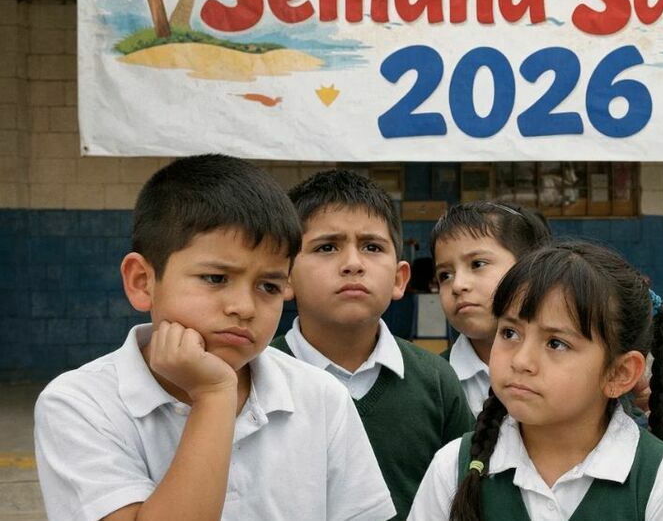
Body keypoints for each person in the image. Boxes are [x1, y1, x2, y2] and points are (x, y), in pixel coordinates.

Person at [34, 154, 394, 521]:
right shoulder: (81, 405)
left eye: (268, 286)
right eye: (216, 279)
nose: (244, 307)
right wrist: (212, 397)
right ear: (143, 282)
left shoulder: (320, 396)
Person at [408, 240, 663, 520]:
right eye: (509, 333)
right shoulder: (452, 467)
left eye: (556, 343)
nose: (521, 361)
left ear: (619, 373)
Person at [272, 169, 473, 519]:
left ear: (399, 279)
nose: (352, 264)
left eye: (371, 247)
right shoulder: (252, 377)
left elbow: (468, 497)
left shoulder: (436, 380)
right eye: (327, 247)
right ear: (284, 275)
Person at [431, 201, 551, 416]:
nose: (458, 285)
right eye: (445, 275)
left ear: (530, 268)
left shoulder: (572, 367)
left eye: (477, 264)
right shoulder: (430, 381)